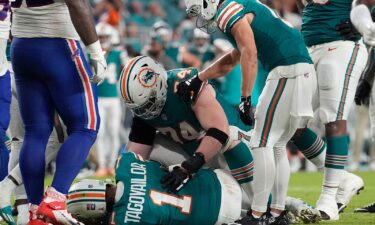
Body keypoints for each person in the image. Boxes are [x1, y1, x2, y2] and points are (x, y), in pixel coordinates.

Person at [182, 0, 317, 224]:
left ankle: (258, 215)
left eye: (198, 10)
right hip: (298, 67)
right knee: (276, 144)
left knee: (261, 142)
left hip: (286, 69)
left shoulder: (228, 10)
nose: (201, 18)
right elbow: (234, 57)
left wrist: (245, 99)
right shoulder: (237, 7)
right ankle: (276, 212)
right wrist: (200, 77)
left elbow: (250, 53)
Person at [10, 0, 107, 224]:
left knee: (35, 132)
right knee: (86, 126)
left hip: (21, 46)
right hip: (57, 45)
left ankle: (35, 212)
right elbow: (78, 4)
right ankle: (55, 199)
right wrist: (96, 52)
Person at [119, 56, 255, 212]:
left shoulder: (185, 85)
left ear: (158, 83)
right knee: (148, 154)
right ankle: (168, 206)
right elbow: (135, 158)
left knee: (229, 135)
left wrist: (188, 168)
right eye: (139, 108)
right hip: (200, 158)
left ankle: (260, 207)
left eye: (148, 102)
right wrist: (122, 188)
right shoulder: (144, 112)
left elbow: (219, 130)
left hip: (239, 148)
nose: (145, 111)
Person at [66, 153, 321, 225]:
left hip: (216, 217)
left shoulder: (122, 219)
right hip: (220, 182)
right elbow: (139, 157)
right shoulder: (125, 166)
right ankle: (280, 203)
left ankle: (266, 218)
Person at [290, 0, 370, 220]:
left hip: (342, 44)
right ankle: (343, 180)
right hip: (310, 46)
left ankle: (328, 198)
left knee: (332, 117)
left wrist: (361, 22)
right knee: (291, 125)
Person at [95, 22, 126, 177]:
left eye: (105, 37)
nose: (102, 39)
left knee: (113, 132)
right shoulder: (91, 54)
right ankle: (102, 164)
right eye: (100, 37)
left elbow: (127, 67)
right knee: (100, 133)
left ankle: (111, 164)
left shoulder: (117, 53)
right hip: (98, 98)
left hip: (114, 98)